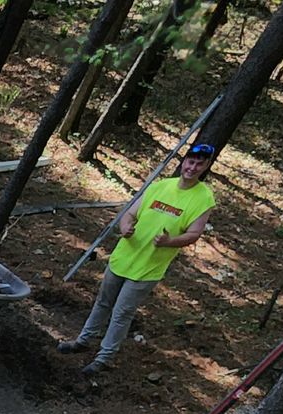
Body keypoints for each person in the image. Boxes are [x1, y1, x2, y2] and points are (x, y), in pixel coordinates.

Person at [59, 142, 217, 377]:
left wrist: (168, 242)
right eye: (190, 161)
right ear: (184, 162)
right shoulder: (162, 186)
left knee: (122, 312)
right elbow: (130, 213)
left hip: (148, 267)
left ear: (206, 167)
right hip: (124, 257)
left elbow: (193, 234)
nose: (193, 167)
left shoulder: (203, 199)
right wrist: (125, 228)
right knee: (103, 302)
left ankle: (103, 358)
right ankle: (83, 341)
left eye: (199, 164)